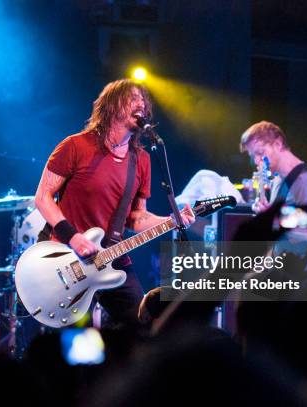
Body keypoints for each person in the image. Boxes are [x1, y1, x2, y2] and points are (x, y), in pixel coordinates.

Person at [34, 79, 195, 328]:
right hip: (67, 256)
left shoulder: (140, 160)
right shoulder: (75, 146)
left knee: (144, 327)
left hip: (112, 257)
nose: (140, 103)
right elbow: (43, 197)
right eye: (132, 98)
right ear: (111, 105)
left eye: (143, 100)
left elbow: (136, 218)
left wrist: (171, 221)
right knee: (77, 342)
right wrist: (74, 237)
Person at [239, 121, 307, 213]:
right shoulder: (278, 177)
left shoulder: (306, 182)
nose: (256, 161)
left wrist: (267, 219)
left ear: (278, 144)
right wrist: (267, 214)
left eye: (260, 153)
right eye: (253, 156)